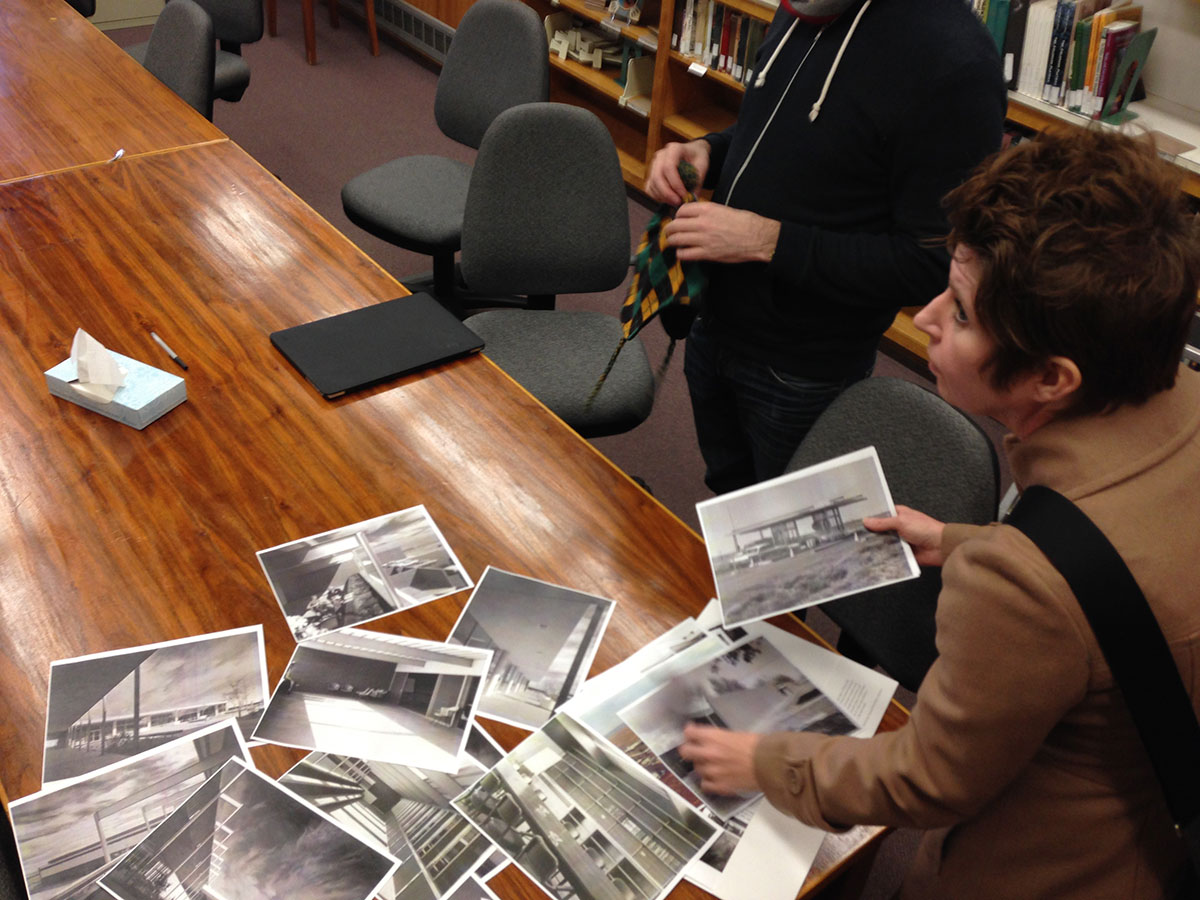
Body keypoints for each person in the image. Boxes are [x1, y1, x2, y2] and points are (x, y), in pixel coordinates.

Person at [677, 127, 1200, 898]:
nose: (922, 318)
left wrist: (764, 761)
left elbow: (930, 779)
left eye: (958, 310)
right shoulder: (1177, 393)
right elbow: (1122, 563)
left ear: (1053, 378)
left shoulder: (1022, 584)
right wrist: (964, 540)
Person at [644, 0, 1006, 493]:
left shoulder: (955, 62)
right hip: (714, 321)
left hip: (802, 367)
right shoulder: (808, 6)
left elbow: (931, 263)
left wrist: (767, 241)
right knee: (728, 498)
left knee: (787, 540)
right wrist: (708, 149)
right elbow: (783, 130)